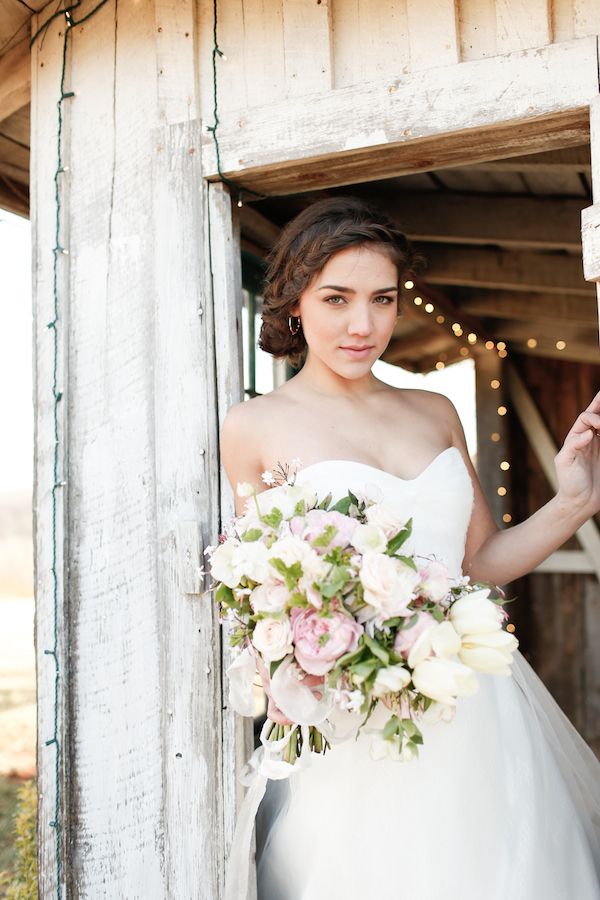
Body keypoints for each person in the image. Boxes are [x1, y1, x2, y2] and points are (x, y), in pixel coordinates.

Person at [220, 196, 600, 899]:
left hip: (476, 710)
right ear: (294, 303)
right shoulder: (252, 428)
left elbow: (480, 564)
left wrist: (577, 498)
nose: (363, 325)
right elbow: (255, 588)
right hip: (355, 725)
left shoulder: (434, 411)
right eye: (337, 298)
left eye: (383, 299)